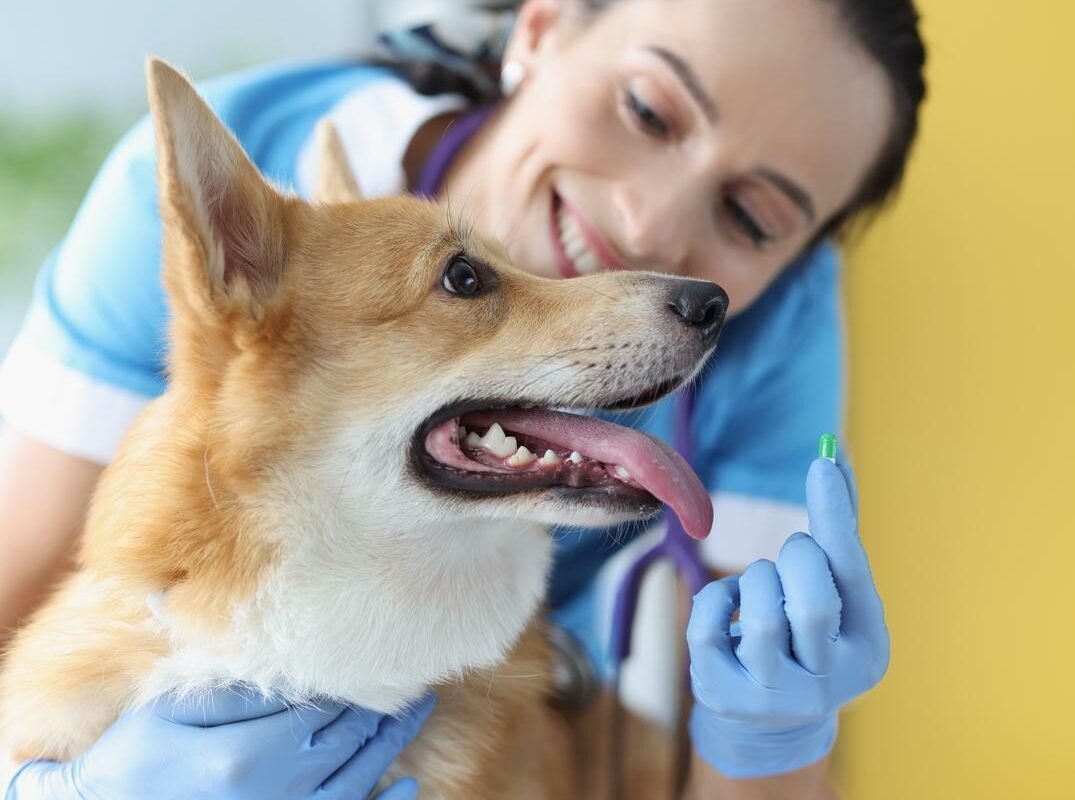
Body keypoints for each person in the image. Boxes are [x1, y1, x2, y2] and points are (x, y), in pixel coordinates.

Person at [0, 0, 926, 796]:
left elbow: (742, 777)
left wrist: (769, 735)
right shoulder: (230, 211)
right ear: (543, 25)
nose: (648, 224)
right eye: (647, 109)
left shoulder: (773, 326)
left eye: (753, 216)